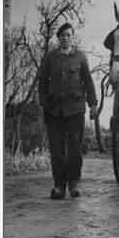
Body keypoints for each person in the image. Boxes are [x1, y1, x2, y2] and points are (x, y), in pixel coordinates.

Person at [38, 23, 98, 199]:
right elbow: (42, 82)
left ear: (73, 37)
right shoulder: (50, 58)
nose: (65, 38)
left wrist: (93, 104)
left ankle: (74, 184)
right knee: (56, 150)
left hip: (75, 110)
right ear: (58, 38)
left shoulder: (80, 57)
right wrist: (43, 101)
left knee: (74, 149)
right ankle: (59, 186)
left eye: (68, 35)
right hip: (53, 110)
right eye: (62, 35)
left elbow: (88, 81)